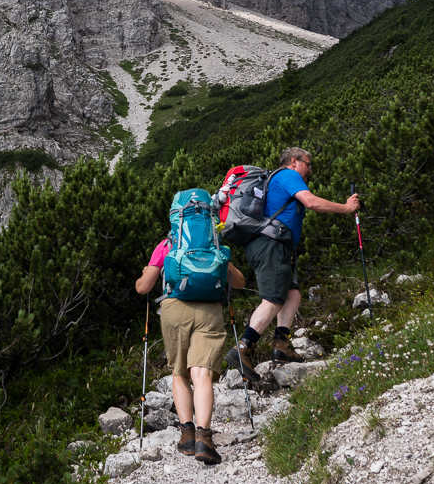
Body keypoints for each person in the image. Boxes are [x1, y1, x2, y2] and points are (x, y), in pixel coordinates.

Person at [227, 147, 360, 382]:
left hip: (275, 244)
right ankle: (243, 347)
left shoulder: (282, 177)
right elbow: (311, 203)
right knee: (273, 298)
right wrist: (346, 208)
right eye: (308, 164)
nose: (311, 170)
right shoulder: (288, 175)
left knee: (292, 293)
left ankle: (281, 345)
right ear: (294, 161)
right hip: (271, 243)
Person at [135, 239, 245, 466]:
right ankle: (204, 439)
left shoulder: (167, 244)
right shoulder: (216, 246)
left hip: (175, 309)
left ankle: (187, 438)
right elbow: (239, 282)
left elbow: (143, 287)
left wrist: (144, 273)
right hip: (210, 310)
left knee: (179, 371)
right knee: (202, 374)